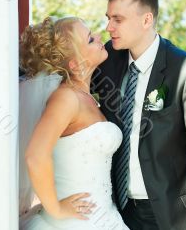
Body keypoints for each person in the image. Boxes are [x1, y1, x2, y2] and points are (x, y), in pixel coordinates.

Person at [92, 0, 186, 230]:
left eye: (118, 19)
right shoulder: (106, 60)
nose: (109, 27)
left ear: (146, 20)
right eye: (108, 18)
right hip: (115, 212)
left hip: (169, 215)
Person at [19, 16, 129, 230]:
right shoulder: (66, 98)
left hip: (105, 217)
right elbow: (35, 156)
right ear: (75, 64)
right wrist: (56, 209)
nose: (99, 37)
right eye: (90, 39)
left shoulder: (86, 97)